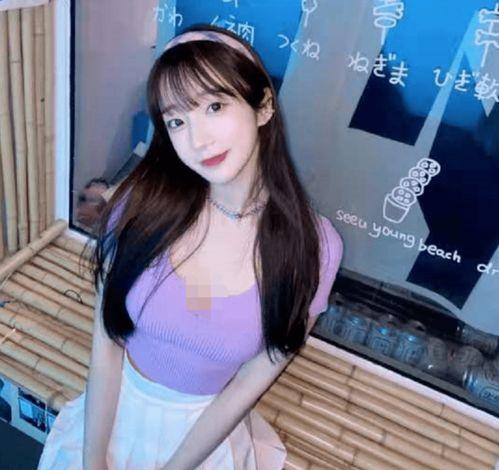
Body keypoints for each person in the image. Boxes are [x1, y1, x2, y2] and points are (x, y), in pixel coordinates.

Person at [37, 24, 343, 470]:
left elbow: (249, 384)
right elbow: (107, 341)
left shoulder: (315, 248)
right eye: (177, 121)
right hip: (110, 414)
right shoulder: (140, 206)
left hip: (204, 437)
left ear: (263, 106)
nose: (198, 140)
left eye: (214, 106)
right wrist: (94, 458)